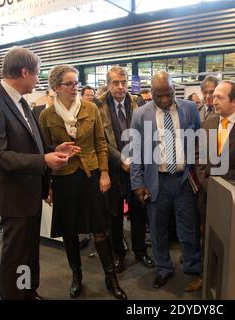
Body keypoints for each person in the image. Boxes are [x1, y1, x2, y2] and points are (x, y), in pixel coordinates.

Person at [0, 47, 80, 300]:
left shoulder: (20, 100)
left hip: (29, 192)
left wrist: (52, 149)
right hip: (13, 196)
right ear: (24, 72)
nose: (38, 80)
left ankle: (28, 291)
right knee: (16, 256)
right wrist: (42, 160)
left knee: (28, 251)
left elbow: (29, 144)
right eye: (37, 74)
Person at [39, 64, 127, 300]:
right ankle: (76, 276)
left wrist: (105, 173)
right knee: (69, 232)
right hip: (63, 179)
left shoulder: (90, 108)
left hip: (91, 176)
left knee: (100, 230)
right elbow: (44, 152)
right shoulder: (46, 115)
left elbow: (101, 143)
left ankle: (111, 280)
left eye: (76, 83)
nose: (74, 88)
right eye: (69, 84)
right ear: (56, 87)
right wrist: (47, 185)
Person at [186, 80, 235, 292]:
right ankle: (205, 276)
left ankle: (227, 281)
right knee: (207, 237)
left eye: (220, 97)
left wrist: (221, 181)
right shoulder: (208, 124)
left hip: (233, 196)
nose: (213, 100)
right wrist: (207, 183)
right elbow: (199, 157)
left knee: (231, 240)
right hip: (208, 193)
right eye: (213, 96)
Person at [130, 71, 202, 289]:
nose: (164, 100)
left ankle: (192, 266)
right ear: (151, 93)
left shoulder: (189, 109)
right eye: (159, 95)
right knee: (157, 228)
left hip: (183, 181)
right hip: (156, 181)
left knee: (188, 227)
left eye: (169, 94)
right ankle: (163, 268)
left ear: (175, 90)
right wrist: (138, 183)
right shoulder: (141, 114)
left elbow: (198, 141)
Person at [96, 66, 154, 273]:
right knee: (114, 215)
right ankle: (118, 254)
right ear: (108, 84)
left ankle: (140, 252)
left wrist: (135, 161)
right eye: (115, 83)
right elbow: (100, 139)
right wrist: (121, 160)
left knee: (139, 212)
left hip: (137, 169)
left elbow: (147, 134)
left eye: (123, 82)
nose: (120, 87)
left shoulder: (139, 103)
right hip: (112, 169)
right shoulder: (97, 105)